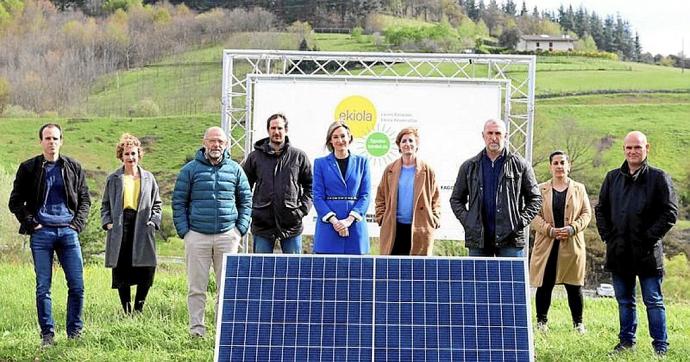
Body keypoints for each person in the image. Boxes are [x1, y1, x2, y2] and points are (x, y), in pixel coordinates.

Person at [595, 131, 677, 356]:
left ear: (647, 148)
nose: (632, 151)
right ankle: (626, 342)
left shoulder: (659, 178)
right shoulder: (612, 178)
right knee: (624, 301)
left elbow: (670, 213)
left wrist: (648, 238)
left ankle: (660, 346)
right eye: (629, 148)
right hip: (619, 251)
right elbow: (601, 209)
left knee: (653, 300)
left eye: (637, 147)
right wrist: (608, 236)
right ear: (624, 149)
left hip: (647, 253)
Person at [8, 123, 91, 347]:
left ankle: (75, 333)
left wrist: (77, 225)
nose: (51, 142)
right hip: (42, 233)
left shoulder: (73, 167)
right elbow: (14, 202)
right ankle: (48, 335)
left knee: (77, 285)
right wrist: (31, 223)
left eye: (55, 138)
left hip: (68, 232)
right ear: (41, 141)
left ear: (61, 141)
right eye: (47, 138)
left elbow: (85, 199)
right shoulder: (29, 168)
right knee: (43, 287)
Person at [172, 126, 252, 338]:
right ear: (204, 142)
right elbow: (178, 201)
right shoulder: (189, 170)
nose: (216, 145)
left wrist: (239, 230)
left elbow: (246, 200)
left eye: (220, 142)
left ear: (226, 145)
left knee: (226, 288)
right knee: (197, 287)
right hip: (197, 236)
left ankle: (221, 332)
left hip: (228, 236)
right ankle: (196, 331)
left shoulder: (235, 169)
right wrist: (185, 232)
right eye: (212, 141)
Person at [449, 119, 541, 257]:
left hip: (510, 239)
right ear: (483, 136)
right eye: (490, 133)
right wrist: (469, 221)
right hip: (479, 240)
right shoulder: (469, 166)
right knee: (477, 279)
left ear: (506, 136)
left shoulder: (521, 165)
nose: (493, 137)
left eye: (498, 133)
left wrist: (519, 222)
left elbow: (535, 199)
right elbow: (456, 199)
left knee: (510, 279)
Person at [530, 151, 591, 334]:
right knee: (544, 285)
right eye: (555, 163)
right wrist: (549, 229)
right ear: (550, 166)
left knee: (574, 286)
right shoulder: (540, 189)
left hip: (572, 245)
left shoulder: (579, 189)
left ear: (568, 165)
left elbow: (587, 214)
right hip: (547, 245)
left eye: (562, 162)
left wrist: (572, 228)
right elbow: (533, 214)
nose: (559, 166)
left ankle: (578, 324)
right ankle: (541, 322)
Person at [101, 134, 162, 314]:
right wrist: (108, 223)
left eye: (133, 153)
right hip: (120, 226)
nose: (130, 157)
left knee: (146, 268)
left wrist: (153, 223)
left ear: (139, 154)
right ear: (121, 156)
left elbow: (157, 204)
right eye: (127, 154)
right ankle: (127, 311)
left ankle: (138, 309)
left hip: (142, 225)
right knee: (122, 269)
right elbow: (105, 205)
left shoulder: (149, 178)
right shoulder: (113, 178)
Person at [242, 113, 312, 254]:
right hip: (262, 225)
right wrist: (251, 211)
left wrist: (301, 210)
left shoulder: (299, 156)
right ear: (268, 130)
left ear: (286, 130)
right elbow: (243, 188)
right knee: (261, 270)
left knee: (293, 271)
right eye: (273, 128)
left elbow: (311, 187)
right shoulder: (254, 157)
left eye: (280, 128)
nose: (276, 132)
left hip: (291, 224)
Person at [375, 127, 441, 255]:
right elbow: (380, 196)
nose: (407, 144)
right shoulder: (390, 170)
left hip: (419, 227)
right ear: (399, 146)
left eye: (411, 141)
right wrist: (382, 217)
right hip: (394, 227)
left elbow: (436, 198)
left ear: (416, 145)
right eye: (404, 141)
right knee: (393, 270)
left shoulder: (427, 170)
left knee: (417, 271)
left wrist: (434, 218)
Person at [312, 121, 371, 254]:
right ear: (330, 141)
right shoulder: (320, 163)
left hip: (355, 228)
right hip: (329, 228)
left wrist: (349, 220)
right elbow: (317, 196)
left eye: (343, 136)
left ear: (349, 138)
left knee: (357, 272)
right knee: (327, 272)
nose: (340, 140)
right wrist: (335, 222)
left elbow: (365, 195)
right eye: (335, 137)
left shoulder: (362, 162)